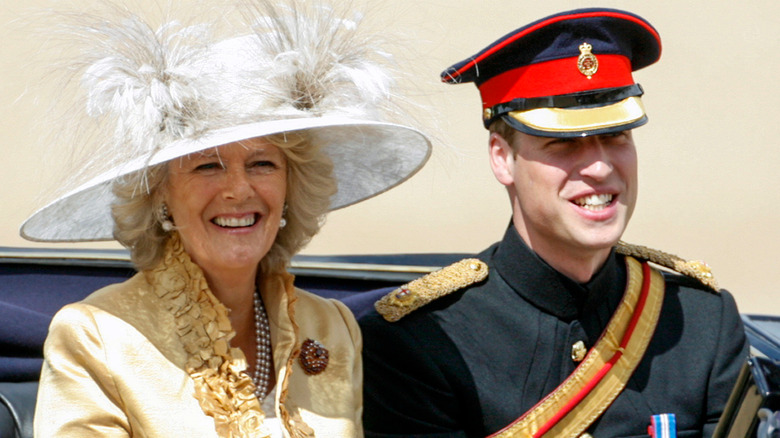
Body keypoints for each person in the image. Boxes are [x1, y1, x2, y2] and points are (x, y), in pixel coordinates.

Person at [21, 1, 430, 437]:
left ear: (292, 187)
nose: (238, 189)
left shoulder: (331, 326)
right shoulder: (97, 334)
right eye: (207, 166)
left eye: (263, 164)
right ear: (161, 197)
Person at [359, 8, 748, 437]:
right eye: (563, 143)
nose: (600, 167)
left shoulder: (701, 324)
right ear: (502, 158)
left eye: (617, 136)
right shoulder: (423, 342)